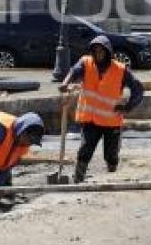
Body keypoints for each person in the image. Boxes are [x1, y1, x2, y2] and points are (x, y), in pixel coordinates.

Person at [59, 35, 144, 183]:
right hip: (90, 119)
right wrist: (65, 83)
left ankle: (112, 177)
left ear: (108, 52)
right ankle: (78, 179)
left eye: (101, 51)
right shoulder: (86, 63)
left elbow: (138, 88)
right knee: (85, 151)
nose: (98, 54)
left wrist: (128, 107)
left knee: (111, 155)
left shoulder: (120, 70)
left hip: (111, 120)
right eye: (96, 51)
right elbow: (74, 72)